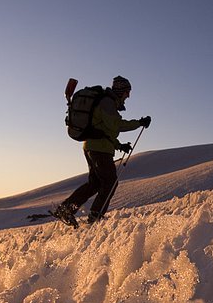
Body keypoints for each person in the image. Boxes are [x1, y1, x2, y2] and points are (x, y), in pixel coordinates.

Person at [53, 75, 151, 226]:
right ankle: (95, 216)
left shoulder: (106, 102)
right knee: (110, 182)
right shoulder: (107, 102)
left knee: (95, 183)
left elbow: (105, 130)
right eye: (127, 92)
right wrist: (139, 123)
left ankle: (66, 209)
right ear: (120, 91)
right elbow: (116, 125)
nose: (128, 96)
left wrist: (119, 145)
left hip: (92, 146)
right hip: (99, 150)